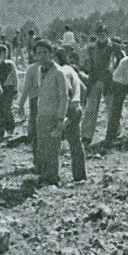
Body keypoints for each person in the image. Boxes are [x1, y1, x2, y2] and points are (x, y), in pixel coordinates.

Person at [33, 40, 71, 185]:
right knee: (42, 146)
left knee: (53, 148)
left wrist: (61, 119)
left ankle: (52, 177)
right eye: (38, 53)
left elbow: (64, 97)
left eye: (44, 53)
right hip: (42, 114)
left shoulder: (59, 73)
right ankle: (45, 174)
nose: (41, 56)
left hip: (54, 115)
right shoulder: (39, 70)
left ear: (51, 54)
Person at [80, 25, 119, 144]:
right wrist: (88, 71)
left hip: (108, 80)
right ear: (96, 35)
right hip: (95, 79)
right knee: (91, 108)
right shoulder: (91, 47)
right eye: (99, 34)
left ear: (107, 34)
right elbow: (86, 62)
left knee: (111, 106)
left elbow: (120, 60)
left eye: (104, 34)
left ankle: (115, 132)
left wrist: (114, 71)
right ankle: (86, 135)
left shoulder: (113, 46)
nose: (101, 36)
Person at [56, 48, 87, 181]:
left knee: (54, 141)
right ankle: (79, 176)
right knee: (75, 144)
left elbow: (66, 94)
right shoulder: (71, 70)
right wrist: (81, 106)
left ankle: (52, 175)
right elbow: (84, 89)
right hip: (76, 107)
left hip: (67, 109)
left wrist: (63, 117)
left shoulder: (61, 72)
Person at [0, 45, 18, 137]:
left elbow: (15, 77)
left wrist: (16, 89)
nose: (5, 55)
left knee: (7, 108)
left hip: (9, 88)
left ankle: (10, 128)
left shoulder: (10, 64)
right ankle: (0, 130)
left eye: (6, 53)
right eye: (3, 53)